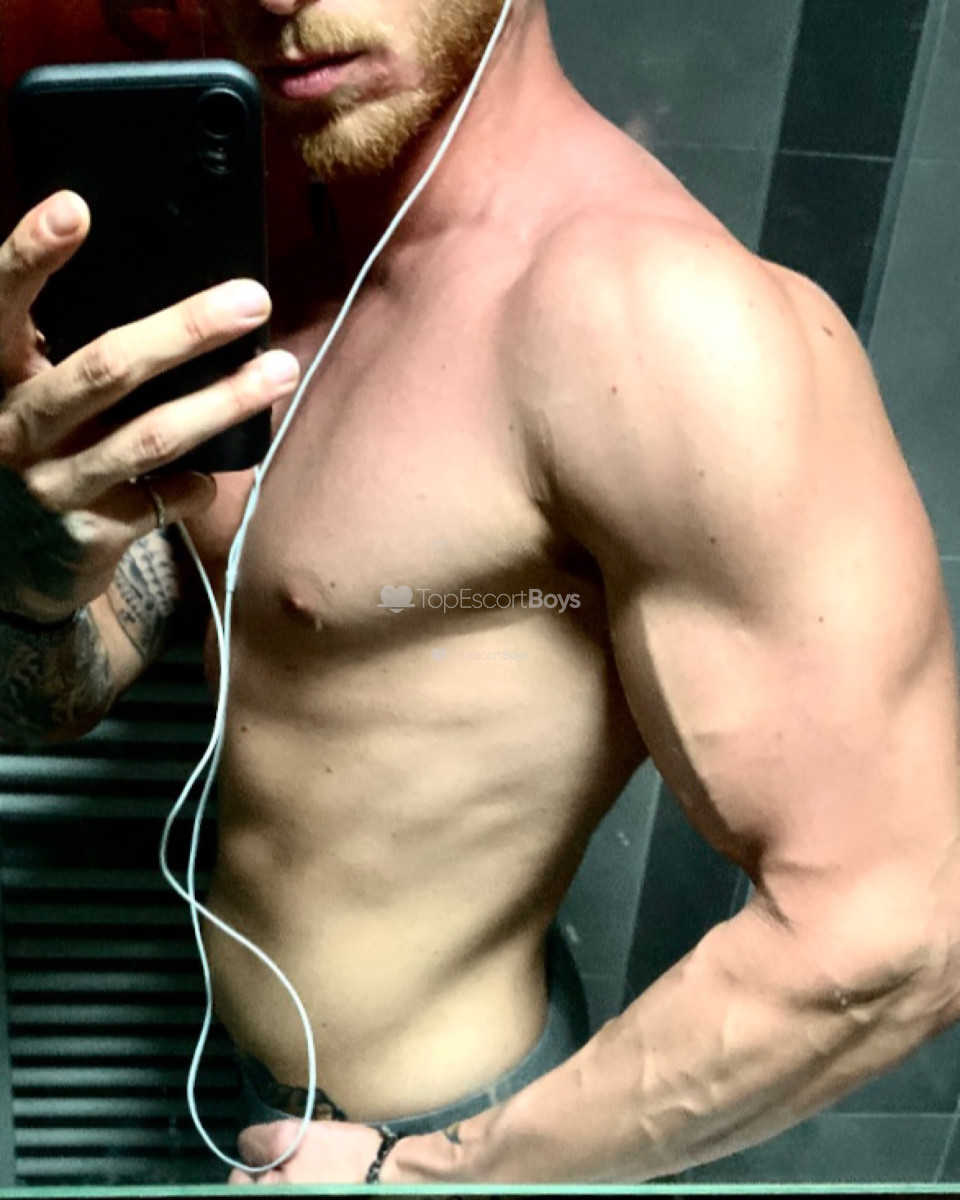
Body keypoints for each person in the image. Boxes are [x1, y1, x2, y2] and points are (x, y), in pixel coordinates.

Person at [1, 0, 958, 1185]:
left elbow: (892, 935)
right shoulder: (276, 276)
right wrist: (34, 579)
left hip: (435, 1136)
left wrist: (429, 1178)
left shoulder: (654, 319)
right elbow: (58, 696)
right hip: (235, 1090)